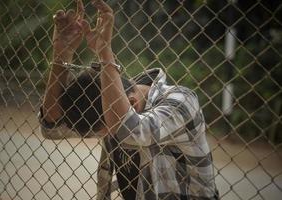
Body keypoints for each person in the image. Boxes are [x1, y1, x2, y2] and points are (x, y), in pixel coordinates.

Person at [39, 0, 219, 199]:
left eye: (108, 130)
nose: (109, 135)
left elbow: (131, 130)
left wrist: (105, 52)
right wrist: (62, 54)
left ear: (132, 104)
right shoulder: (110, 102)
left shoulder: (181, 101)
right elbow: (53, 127)